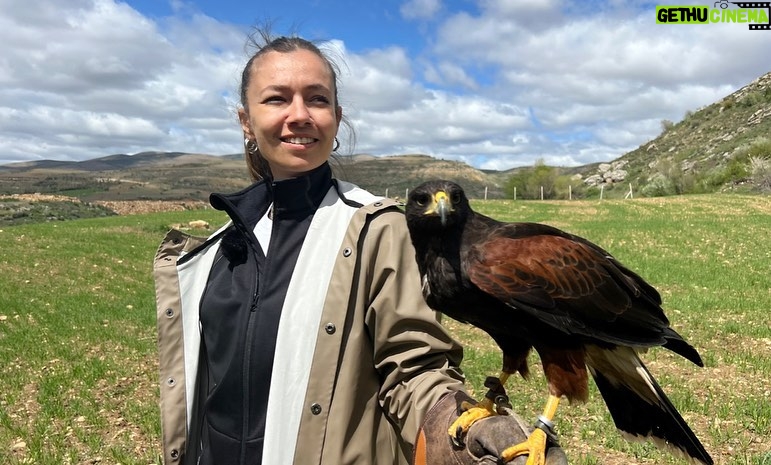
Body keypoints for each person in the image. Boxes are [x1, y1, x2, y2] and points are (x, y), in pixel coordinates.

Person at [153, 31, 567, 465]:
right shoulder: (219, 246)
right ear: (246, 121)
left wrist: (453, 428)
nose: (299, 115)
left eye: (316, 99)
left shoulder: (377, 229)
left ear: (336, 116)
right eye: (277, 99)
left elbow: (414, 366)